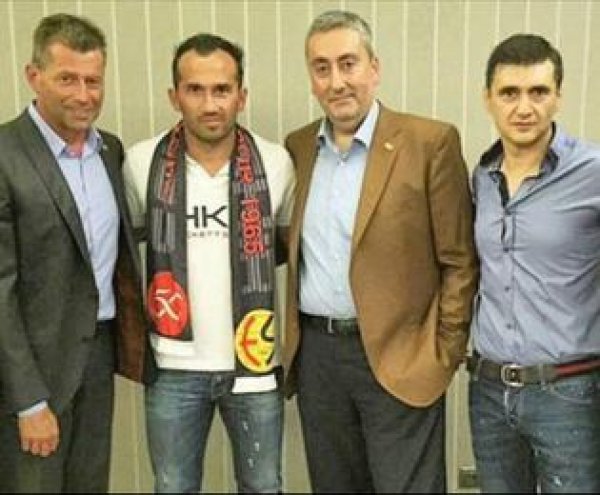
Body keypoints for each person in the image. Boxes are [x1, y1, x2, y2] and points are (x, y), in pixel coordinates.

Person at [281, 9, 478, 493]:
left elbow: (459, 260)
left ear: (374, 67)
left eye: (348, 63)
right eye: (322, 68)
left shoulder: (429, 143)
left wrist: (442, 353)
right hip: (319, 360)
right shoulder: (299, 148)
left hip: (401, 356)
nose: (336, 81)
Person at [123, 33, 295, 493]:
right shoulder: (140, 163)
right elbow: (127, 248)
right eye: (195, 90)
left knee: (263, 486)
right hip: (173, 365)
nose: (210, 104)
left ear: (242, 95)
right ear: (174, 96)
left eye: (222, 90)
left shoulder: (277, 163)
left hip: (254, 365)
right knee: (173, 487)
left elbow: (285, 247)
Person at [0, 13, 154, 493]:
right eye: (67, 79)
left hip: (97, 357)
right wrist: (28, 401)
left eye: (93, 81)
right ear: (34, 76)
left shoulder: (109, 151)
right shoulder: (5, 154)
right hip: (31, 372)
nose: (84, 95)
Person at [467, 33, 600, 493]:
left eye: (538, 92)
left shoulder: (593, 173)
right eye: (509, 93)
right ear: (488, 99)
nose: (524, 107)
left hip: (568, 394)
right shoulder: (481, 177)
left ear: (558, 97)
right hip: (488, 391)